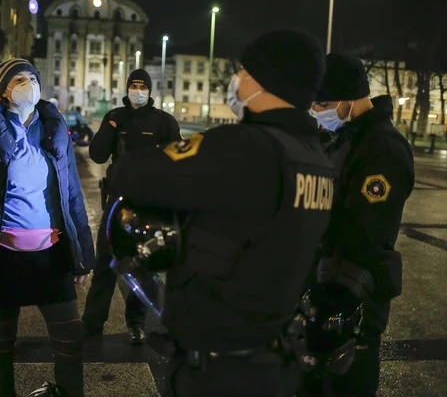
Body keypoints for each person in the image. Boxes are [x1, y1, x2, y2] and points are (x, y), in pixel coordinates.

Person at [107, 29, 335, 396]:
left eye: (244, 70)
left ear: (264, 80)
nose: (238, 79)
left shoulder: (243, 146)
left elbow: (132, 175)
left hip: (220, 370)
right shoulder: (315, 158)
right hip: (274, 357)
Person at [0, 58, 95, 397]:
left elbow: (71, 191)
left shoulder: (54, 127)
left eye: (32, 77)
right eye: (19, 79)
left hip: (51, 253)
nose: (27, 83)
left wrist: (82, 254)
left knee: (71, 343)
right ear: (5, 90)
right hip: (4, 256)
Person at [300, 53, 415, 397]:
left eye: (322, 102)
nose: (316, 109)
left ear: (351, 97)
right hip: (323, 287)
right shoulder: (344, 138)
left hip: (353, 297)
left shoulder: (382, 149)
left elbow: (363, 232)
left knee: (345, 385)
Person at [82, 68, 181, 344]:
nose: (137, 90)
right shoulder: (115, 117)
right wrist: (110, 128)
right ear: (127, 88)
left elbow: (178, 161)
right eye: (133, 85)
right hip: (117, 202)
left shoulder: (163, 122)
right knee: (106, 261)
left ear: (150, 91)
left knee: (143, 263)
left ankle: (136, 324)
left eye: (142, 86)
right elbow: (98, 154)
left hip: (149, 204)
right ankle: (92, 324)